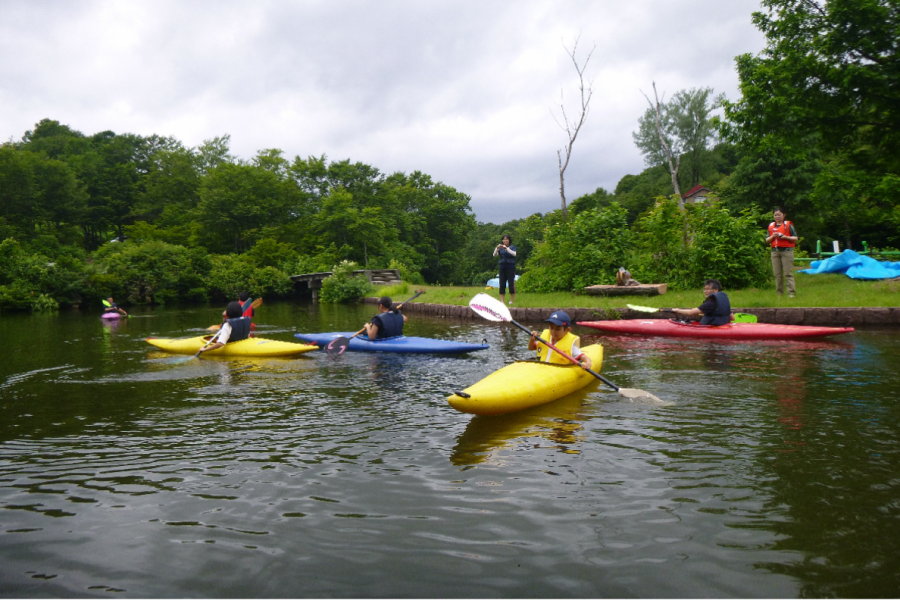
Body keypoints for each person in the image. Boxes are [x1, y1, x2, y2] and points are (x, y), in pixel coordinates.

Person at [528, 310, 592, 370]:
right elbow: (531, 348)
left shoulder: (570, 346)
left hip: (557, 372)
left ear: (567, 330)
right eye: (551, 328)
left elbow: (583, 357)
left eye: (557, 329)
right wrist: (532, 339)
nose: (553, 331)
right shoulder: (545, 338)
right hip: (541, 369)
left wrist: (587, 363)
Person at [765, 207, 798, 298]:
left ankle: (791, 293)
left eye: (779, 215)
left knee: (788, 273)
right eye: (775, 215)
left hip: (787, 251)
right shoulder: (771, 226)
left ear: (784, 215)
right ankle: (779, 293)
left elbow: (795, 238)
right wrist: (773, 236)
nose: (777, 217)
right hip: (775, 252)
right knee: (777, 274)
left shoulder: (788, 225)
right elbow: (767, 240)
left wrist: (785, 237)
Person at [493, 234, 517, 305]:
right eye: (504, 239)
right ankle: (502, 301)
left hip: (510, 267)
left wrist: (507, 248)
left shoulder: (512, 247)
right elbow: (494, 255)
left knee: (511, 284)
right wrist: (497, 248)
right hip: (502, 267)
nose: (505, 241)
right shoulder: (500, 248)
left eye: (506, 239)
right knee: (502, 283)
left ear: (509, 240)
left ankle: (511, 300)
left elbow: (514, 254)